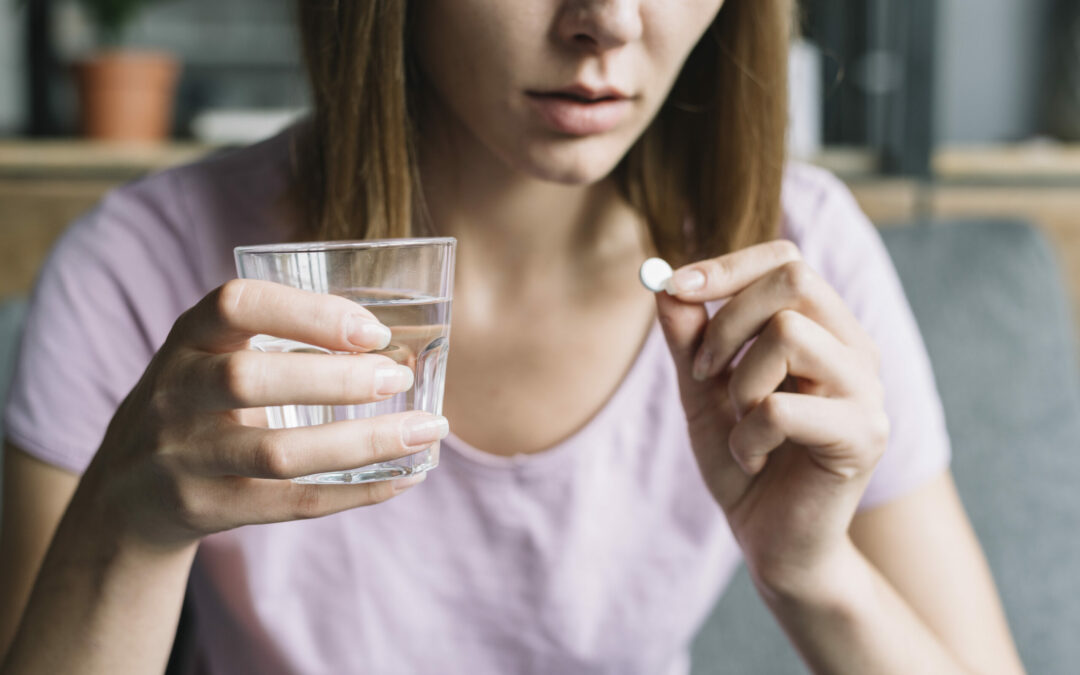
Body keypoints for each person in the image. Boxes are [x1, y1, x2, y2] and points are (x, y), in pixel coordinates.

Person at [0, 1, 1026, 673]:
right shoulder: (142, 268)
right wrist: (126, 531)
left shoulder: (797, 257)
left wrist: (811, 571)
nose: (608, 23)